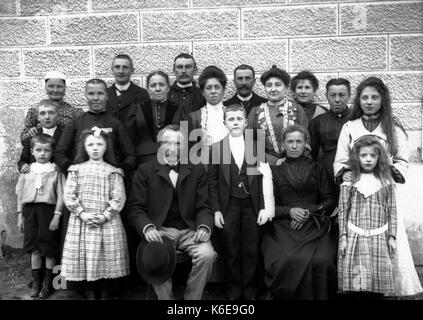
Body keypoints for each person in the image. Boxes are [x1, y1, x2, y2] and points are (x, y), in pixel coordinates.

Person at [333, 76, 423, 296]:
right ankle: (360, 287)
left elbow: (403, 160)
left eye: (374, 97)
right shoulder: (350, 127)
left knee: (388, 244)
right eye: (364, 97)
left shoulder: (392, 127)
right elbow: (340, 161)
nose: (369, 101)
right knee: (358, 246)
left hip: (383, 193)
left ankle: (384, 288)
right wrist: (348, 176)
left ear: (383, 99)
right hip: (357, 194)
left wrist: (388, 170)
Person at [126, 124, 216, 300]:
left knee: (208, 255)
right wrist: (148, 228)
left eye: (177, 143)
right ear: (160, 145)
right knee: (156, 256)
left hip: (190, 230)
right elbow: (135, 208)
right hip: (161, 230)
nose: (172, 148)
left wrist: (204, 227)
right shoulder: (145, 171)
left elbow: (204, 206)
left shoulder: (196, 170)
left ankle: (192, 301)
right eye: (167, 142)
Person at [261, 124, 337, 300]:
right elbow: (266, 204)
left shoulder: (317, 168)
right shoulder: (274, 171)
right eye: (290, 141)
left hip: (315, 224)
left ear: (305, 145)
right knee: (288, 260)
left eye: (298, 141)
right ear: (283, 145)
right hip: (283, 227)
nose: (294, 146)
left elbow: (330, 199)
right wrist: (290, 211)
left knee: (322, 260)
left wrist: (308, 212)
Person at [208, 104, 270, 300]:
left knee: (252, 248)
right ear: (225, 123)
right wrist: (216, 210)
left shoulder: (256, 146)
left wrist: (264, 207)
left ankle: (251, 288)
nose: (235, 122)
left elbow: (263, 179)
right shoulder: (217, 148)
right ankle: (234, 288)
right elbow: (212, 183)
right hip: (229, 205)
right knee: (231, 248)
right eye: (231, 119)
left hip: (252, 204)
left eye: (239, 119)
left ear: (246, 122)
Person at [61, 129, 129, 300]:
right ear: (84, 147)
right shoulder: (76, 170)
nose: (95, 148)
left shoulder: (113, 171)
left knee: (105, 256)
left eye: (99, 144)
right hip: (83, 221)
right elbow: (69, 195)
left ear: (106, 147)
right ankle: (90, 290)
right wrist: (81, 213)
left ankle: (105, 290)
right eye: (90, 144)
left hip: (107, 221)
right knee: (87, 255)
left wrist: (106, 215)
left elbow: (118, 197)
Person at [338, 135, 397, 298]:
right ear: (356, 157)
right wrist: (343, 237)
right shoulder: (349, 181)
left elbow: (392, 209)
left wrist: (392, 236)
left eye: (373, 155)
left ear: (379, 157)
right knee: (358, 283)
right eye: (364, 156)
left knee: (376, 280)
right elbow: (343, 210)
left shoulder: (385, 181)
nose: (368, 159)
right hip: (355, 236)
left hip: (379, 237)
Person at [16, 134, 65, 299]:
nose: (42, 153)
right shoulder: (27, 170)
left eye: (46, 150)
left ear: (52, 152)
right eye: (38, 150)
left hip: (48, 213)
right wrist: (19, 215)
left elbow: (61, 196)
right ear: (32, 151)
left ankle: (48, 283)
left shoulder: (55, 171)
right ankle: (36, 282)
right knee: (34, 249)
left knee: (49, 248)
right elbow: (20, 195)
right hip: (30, 212)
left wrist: (57, 216)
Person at [54, 78, 135, 174]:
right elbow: (59, 153)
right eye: (91, 94)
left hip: (109, 179)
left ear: (107, 96)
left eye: (100, 93)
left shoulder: (116, 124)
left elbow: (131, 155)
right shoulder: (75, 123)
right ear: (86, 96)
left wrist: (120, 170)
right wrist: (71, 168)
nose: (96, 98)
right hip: (81, 179)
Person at [248, 65, 309, 165]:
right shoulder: (255, 111)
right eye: (269, 85)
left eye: (277, 85)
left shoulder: (297, 109)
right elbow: (250, 143)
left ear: (285, 87)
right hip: (264, 164)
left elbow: (306, 140)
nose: (273, 89)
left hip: (294, 165)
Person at [127, 70, 182, 165]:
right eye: (153, 85)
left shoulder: (179, 109)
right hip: (144, 161)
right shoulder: (137, 109)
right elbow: (128, 138)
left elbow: (184, 138)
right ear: (147, 88)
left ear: (168, 88)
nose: (157, 89)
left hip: (172, 159)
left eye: (162, 85)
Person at [20, 70, 83, 143]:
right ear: (45, 87)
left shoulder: (75, 112)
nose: (55, 90)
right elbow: (23, 140)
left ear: (65, 88)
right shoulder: (35, 111)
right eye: (51, 86)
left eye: (59, 87)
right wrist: (30, 134)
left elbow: (81, 138)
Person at [309, 78, 352, 184]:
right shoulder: (317, 122)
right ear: (326, 96)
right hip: (326, 174)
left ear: (349, 95)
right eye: (333, 95)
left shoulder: (357, 119)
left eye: (342, 95)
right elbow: (312, 155)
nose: (337, 99)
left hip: (353, 171)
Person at [189, 65, 229, 153]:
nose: (213, 91)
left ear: (224, 90)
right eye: (208, 88)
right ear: (203, 92)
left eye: (217, 87)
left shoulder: (235, 114)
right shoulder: (194, 117)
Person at [106, 54, 150, 129]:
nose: (121, 71)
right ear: (112, 70)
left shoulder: (142, 94)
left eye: (125, 67)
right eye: (117, 67)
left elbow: (147, 123)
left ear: (132, 70)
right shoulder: (104, 94)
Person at [18, 100, 63, 173]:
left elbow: (72, 158)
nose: (47, 117)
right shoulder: (32, 135)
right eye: (42, 113)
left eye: (51, 113)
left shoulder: (65, 135)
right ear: (38, 117)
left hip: (58, 178)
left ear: (58, 116)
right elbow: (23, 160)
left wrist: (64, 166)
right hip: (35, 177)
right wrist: (23, 166)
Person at [168, 53, 205, 118]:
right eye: (180, 67)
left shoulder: (203, 95)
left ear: (195, 69)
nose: (184, 71)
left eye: (188, 67)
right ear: (174, 69)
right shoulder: (165, 94)